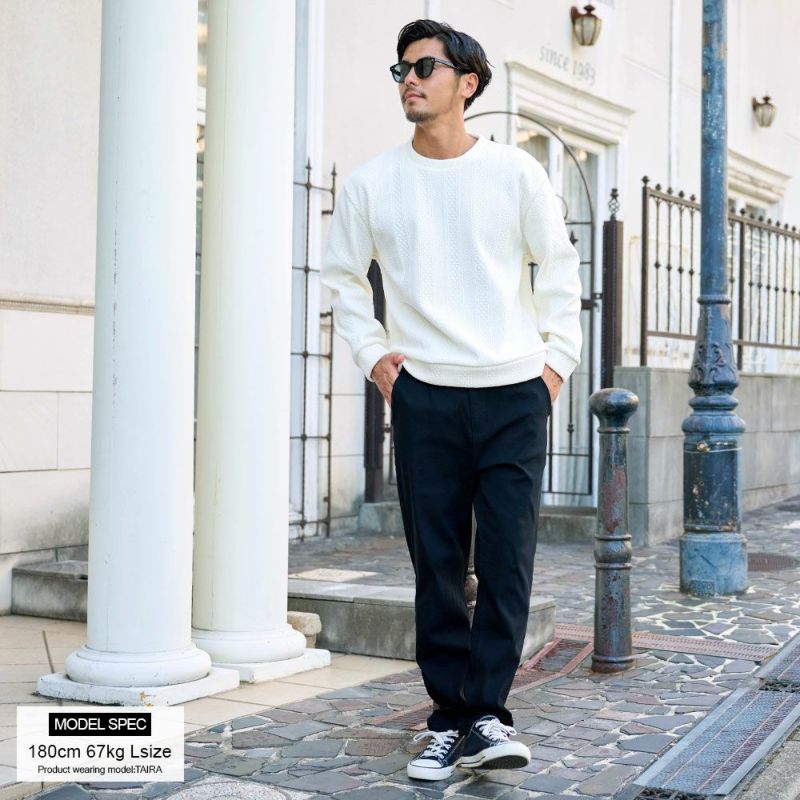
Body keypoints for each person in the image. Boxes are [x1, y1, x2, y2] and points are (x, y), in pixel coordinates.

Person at [320, 18, 583, 782]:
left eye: (424, 66)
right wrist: (374, 357)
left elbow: (558, 270)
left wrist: (554, 368)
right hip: (426, 397)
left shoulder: (516, 174)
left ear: (467, 83)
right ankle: (447, 720)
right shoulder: (371, 184)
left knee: (506, 562)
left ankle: (488, 717)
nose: (409, 79)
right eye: (401, 69)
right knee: (436, 565)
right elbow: (343, 281)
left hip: (513, 394)